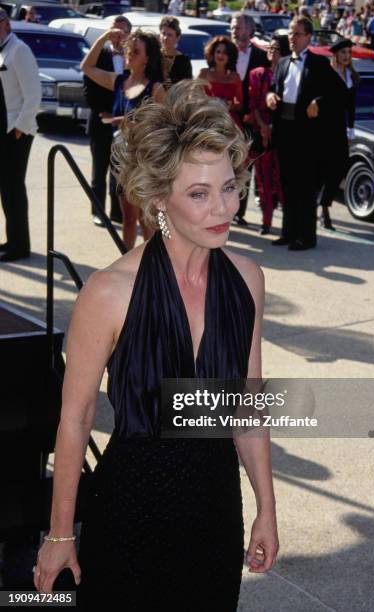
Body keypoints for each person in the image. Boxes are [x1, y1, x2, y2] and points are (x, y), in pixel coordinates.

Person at [33, 80, 280, 610]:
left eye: (229, 186)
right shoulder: (109, 292)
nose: (224, 208)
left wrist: (267, 507)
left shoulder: (247, 281)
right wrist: (59, 535)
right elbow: (74, 420)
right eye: (199, 193)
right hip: (129, 511)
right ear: (159, 197)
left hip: (215, 512)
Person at [80, 29, 166, 250]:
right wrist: (104, 37)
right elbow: (86, 67)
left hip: (145, 163)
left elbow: (168, 127)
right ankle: (127, 268)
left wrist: (129, 122)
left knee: (147, 221)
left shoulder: (155, 89)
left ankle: (152, 270)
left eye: (136, 51)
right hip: (121, 161)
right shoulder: (119, 81)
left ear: (147, 59)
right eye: (129, 49)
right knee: (128, 220)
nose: (129, 54)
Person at [266, 16, 346, 250]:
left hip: (307, 135)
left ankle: (306, 237)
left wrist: (319, 102)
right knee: (287, 184)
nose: (292, 38)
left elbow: (339, 93)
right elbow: (274, 88)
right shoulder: (282, 63)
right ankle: (289, 232)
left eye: (297, 34)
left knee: (305, 186)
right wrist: (270, 96)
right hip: (285, 130)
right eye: (290, 33)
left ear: (308, 37)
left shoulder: (318, 64)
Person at [0, 8, 41, 262]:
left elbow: (33, 94)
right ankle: (11, 240)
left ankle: (19, 246)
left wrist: (20, 127)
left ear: (5, 23)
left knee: (14, 189)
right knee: (6, 189)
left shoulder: (19, 50)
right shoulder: (4, 50)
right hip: (3, 130)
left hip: (16, 132)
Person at [83, 15, 132, 228]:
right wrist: (105, 112)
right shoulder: (99, 55)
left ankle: (117, 212)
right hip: (101, 120)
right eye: (114, 31)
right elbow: (89, 88)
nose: (117, 36)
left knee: (119, 172)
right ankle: (98, 211)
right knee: (99, 170)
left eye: (122, 32)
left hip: (124, 124)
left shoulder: (134, 59)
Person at [230, 12, 270, 226]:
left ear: (249, 30)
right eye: (233, 26)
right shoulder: (223, 51)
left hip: (250, 120)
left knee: (246, 167)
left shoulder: (261, 57)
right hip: (227, 119)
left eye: (238, 27)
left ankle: (239, 211)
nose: (234, 30)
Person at [317, 38, 359, 230]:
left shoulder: (351, 76)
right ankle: (322, 209)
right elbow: (318, 98)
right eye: (343, 53)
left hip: (340, 128)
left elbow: (351, 106)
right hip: (324, 127)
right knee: (323, 168)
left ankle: (324, 202)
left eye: (349, 53)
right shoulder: (327, 74)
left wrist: (351, 129)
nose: (346, 56)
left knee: (341, 166)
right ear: (335, 55)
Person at [248, 36, 286, 235]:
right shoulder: (258, 74)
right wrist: (263, 127)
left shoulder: (288, 74)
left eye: (277, 48)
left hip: (283, 132)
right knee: (262, 179)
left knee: (280, 179)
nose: (272, 51)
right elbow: (253, 104)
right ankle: (266, 221)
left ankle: (287, 224)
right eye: (270, 48)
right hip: (261, 130)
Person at [198, 35, 243, 129]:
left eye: (225, 53)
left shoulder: (235, 76)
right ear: (212, 53)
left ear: (230, 56)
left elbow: (240, 103)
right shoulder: (204, 73)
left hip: (229, 121)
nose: (221, 55)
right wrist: (208, 103)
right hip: (207, 121)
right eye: (218, 52)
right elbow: (192, 97)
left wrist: (231, 106)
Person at [159, 16, 192, 90]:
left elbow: (186, 87)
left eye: (169, 35)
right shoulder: (153, 56)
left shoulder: (183, 61)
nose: (165, 38)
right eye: (163, 34)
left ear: (177, 38)